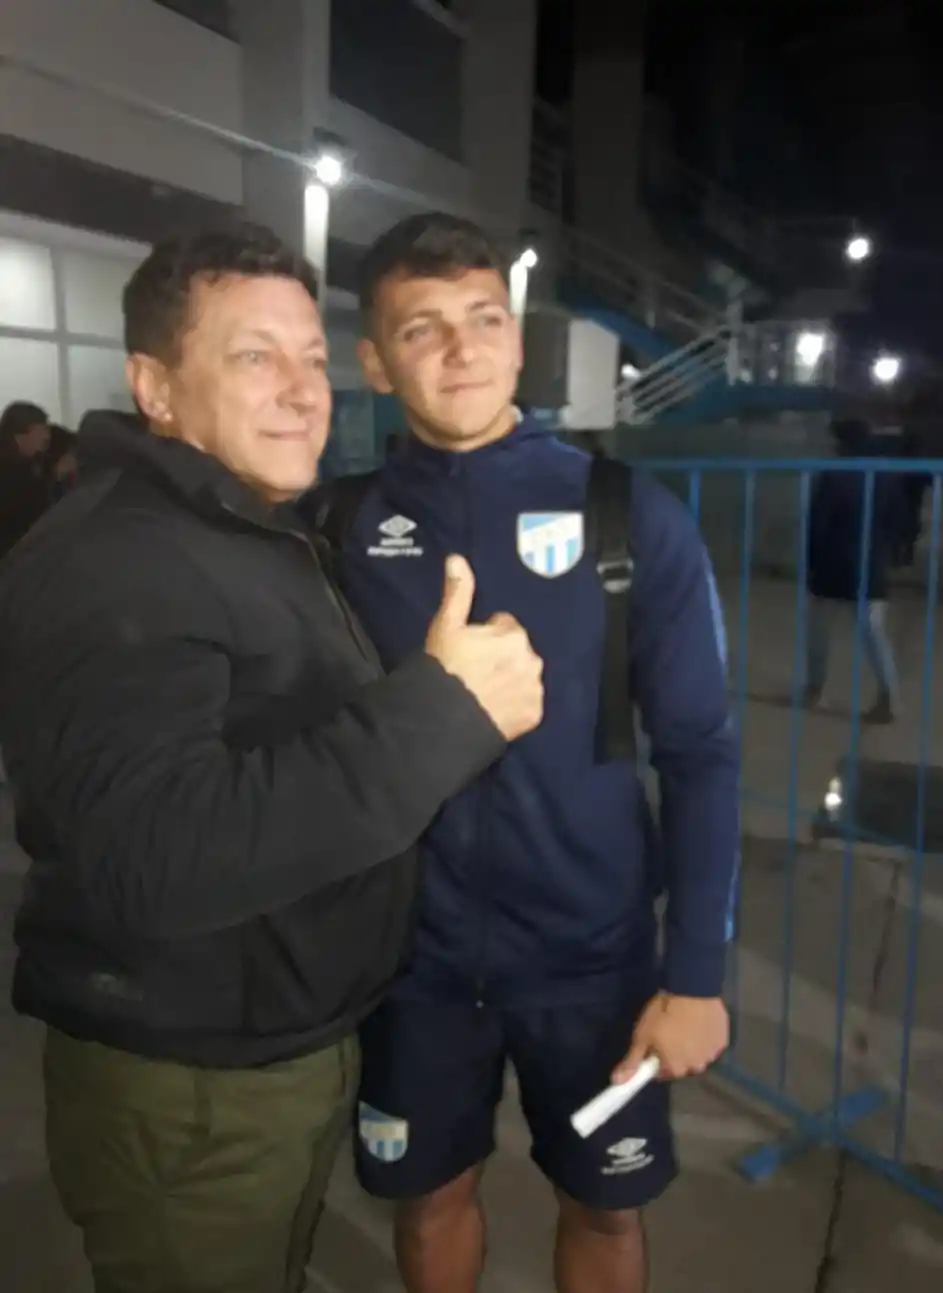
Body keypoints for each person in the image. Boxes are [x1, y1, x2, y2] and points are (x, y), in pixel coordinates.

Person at [0, 223, 544, 1293]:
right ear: (155, 387)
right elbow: (158, 853)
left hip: (259, 1042)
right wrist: (442, 716)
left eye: (311, 357)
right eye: (255, 356)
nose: (303, 391)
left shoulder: (237, 524)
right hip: (188, 1084)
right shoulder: (115, 560)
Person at [328, 212, 740, 1293]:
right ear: (374, 361)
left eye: (483, 319)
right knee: (429, 1198)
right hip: (410, 961)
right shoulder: (341, 528)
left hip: (592, 959)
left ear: (516, 340)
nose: (460, 350)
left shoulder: (628, 516)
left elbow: (700, 752)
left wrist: (695, 974)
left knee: (603, 1208)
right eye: (421, 328)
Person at [805, 417, 901, 722]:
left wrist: (811, 563)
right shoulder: (884, 474)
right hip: (871, 564)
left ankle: (815, 690)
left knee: (819, 631)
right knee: (874, 634)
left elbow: (817, 524)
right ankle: (889, 698)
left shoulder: (834, 475)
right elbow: (896, 521)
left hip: (833, 565)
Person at [0, 399, 53, 557]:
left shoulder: (29, 465)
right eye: (42, 429)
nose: (47, 436)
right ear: (22, 432)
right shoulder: (13, 472)